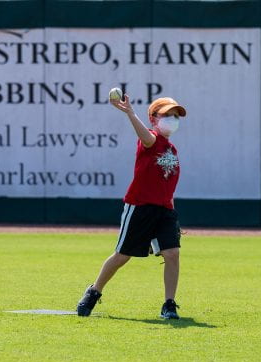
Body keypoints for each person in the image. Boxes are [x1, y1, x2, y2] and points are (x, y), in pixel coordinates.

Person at [76, 94, 186, 319]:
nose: (173, 119)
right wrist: (130, 113)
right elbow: (144, 137)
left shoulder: (172, 149)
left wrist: (172, 213)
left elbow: (168, 184)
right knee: (122, 256)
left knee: (172, 253)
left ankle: (169, 304)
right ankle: (94, 291)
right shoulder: (151, 140)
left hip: (164, 210)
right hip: (140, 207)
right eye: (167, 115)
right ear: (154, 118)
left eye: (176, 116)